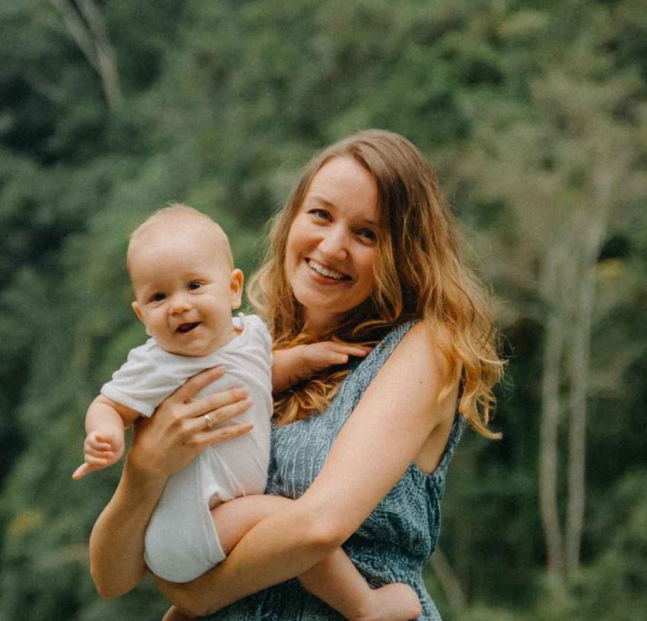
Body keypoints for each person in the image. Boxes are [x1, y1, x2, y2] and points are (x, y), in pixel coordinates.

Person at [88, 130, 504, 620]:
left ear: (404, 252)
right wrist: (145, 471)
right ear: (292, 219)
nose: (332, 246)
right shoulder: (241, 354)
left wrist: (198, 596)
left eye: (366, 234)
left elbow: (319, 526)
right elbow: (113, 579)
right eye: (321, 215)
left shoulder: (423, 348)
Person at [76, 204, 425, 621]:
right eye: (158, 297)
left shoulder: (251, 336)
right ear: (142, 315)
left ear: (233, 288)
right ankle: (365, 606)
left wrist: (306, 359)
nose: (179, 306)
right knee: (286, 519)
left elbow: (262, 373)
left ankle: (191, 610)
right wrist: (104, 434)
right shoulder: (157, 363)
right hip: (190, 525)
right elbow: (109, 403)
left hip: (216, 521)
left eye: (194, 286)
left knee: (274, 534)